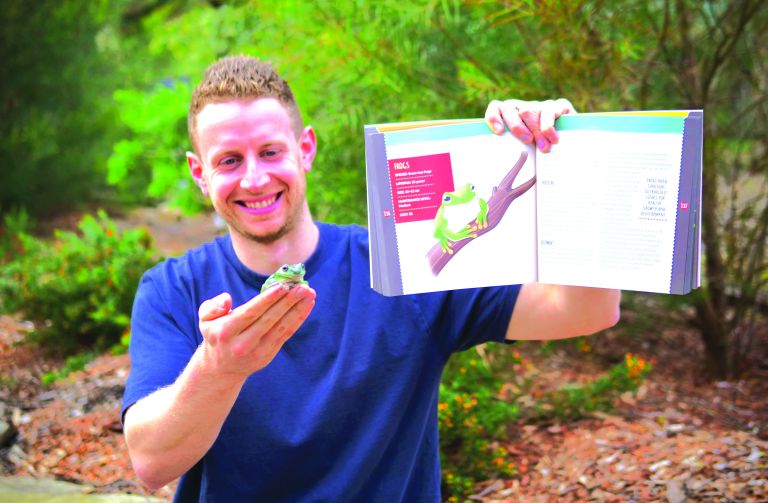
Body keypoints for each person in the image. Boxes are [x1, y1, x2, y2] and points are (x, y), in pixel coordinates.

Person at [121, 55, 620, 502]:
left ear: (306, 149)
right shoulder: (171, 290)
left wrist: (565, 162)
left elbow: (588, 309)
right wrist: (219, 367)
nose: (254, 179)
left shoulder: (402, 263)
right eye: (229, 161)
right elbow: (151, 463)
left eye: (271, 152)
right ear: (199, 174)